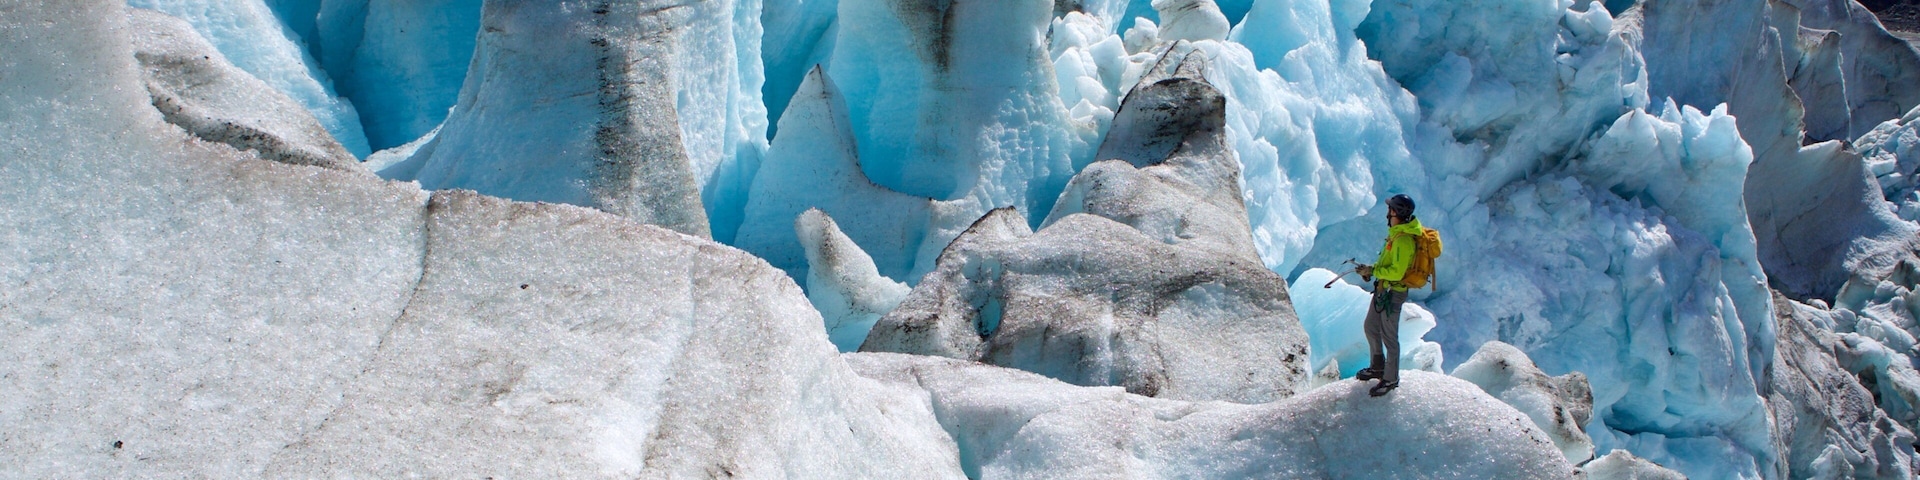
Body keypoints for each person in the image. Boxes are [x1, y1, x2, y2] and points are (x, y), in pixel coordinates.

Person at [1355, 194, 1421, 397]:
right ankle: (1377, 367)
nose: (1388, 212)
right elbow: (1387, 265)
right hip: (1384, 289)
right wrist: (1371, 269)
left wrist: (1374, 272)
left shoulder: (1404, 240)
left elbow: (1397, 273)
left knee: (1389, 337)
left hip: (1394, 292)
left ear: (1397, 212)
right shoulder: (1396, 233)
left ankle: (1391, 379)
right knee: (1371, 327)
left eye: (1391, 209)